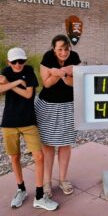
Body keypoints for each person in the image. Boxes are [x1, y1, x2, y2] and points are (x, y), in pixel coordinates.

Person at [0, 47, 58, 210]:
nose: (18, 64)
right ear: (8, 62)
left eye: (21, 61)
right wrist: (17, 83)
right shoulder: (5, 71)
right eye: (14, 62)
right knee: (14, 157)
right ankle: (21, 190)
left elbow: (28, 95)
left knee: (39, 157)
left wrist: (10, 85)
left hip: (28, 122)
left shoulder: (29, 71)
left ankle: (39, 196)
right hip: (9, 123)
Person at [35, 34, 81, 198]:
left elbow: (75, 83)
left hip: (69, 106)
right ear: (54, 49)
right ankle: (47, 182)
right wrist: (65, 72)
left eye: (66, 48)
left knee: (65, 144)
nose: (63, 52)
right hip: (47, 106)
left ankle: (63, 179)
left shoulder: (75, 57)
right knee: (47, 145)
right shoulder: (47, 57)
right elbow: (46, 84)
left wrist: (58, 73)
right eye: (60, 49)